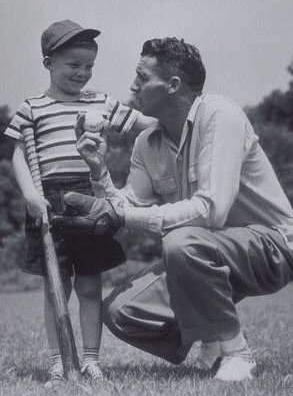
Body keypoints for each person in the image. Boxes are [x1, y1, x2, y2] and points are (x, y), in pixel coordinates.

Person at [51, 37, 293, 382]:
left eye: (142, 77)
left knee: (181, 242)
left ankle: (236, 352)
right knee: (121, 312)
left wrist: (122, 215)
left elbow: (212, 211)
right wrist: (97, 168)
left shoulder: (220, 114)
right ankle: (213, 335)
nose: (132, 86)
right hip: (201, 254)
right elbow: (128, 211)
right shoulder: (145, 143)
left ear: (173, 85)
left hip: (272, 246)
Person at [4, 19, 154, 384]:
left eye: (88, 66)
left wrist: (184, 119)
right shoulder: (31, 108)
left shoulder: (99, 102)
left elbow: (144, 123)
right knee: (58, 288)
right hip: (46, 201)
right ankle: (59, 360)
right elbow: (18, 156)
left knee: (90, 286)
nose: (82, 73)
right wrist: (29, 195)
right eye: (73, 65)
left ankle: (90, 360)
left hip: (89, 201)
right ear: (48, 63)